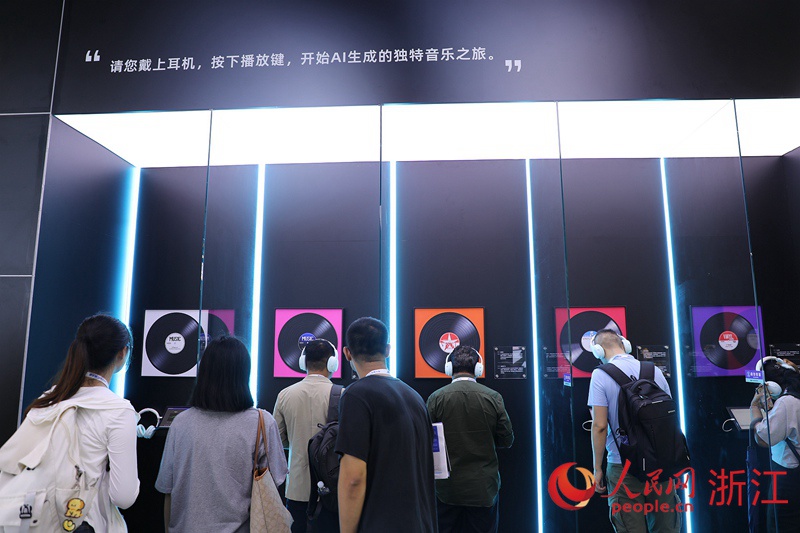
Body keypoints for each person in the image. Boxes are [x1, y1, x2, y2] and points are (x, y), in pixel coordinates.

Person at [0, 313, 139, 532]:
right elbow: (124, 496)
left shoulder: (48, 400)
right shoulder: (119, 411)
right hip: (83, 524)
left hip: (32, 519)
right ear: (122, 353)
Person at [155, 336, 287, 532]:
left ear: (204, 373)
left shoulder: (180, 423)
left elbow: (168, 491)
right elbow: (276, 482)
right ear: (244, 374)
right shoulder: (262, 422)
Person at [335, 317, 437, 533]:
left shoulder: (356, 395)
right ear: (388, 350)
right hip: (421, 524)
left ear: (347, 353)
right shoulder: (415, 397)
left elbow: (353, 478)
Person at [587, 329, 681, 533]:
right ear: (625, 344)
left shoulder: (600, 375)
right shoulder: (653, 371)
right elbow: (670, 414)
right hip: (660, 462)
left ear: (598, 351)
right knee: (666, 526)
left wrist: (597, 468)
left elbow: (600, 426)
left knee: (629, 527)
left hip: (622, 465)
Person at [426, 345, 514, 533]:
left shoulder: (436, 398)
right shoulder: (493, 397)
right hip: (483, 489)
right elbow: (507, 440)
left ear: (449, 368)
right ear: (478, 369)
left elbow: (426, 443)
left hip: (446, 490)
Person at [274, 338, 341, 532]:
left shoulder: (285, 395)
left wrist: (297, 441)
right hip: (332, 490)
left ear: (303, 362)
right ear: (332, 363)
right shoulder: (343, 395)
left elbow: (278, 440)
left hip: (297, 489)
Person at [751, 356, 800, 533]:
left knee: (782, 524)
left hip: (789, 478)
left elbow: (763, 438)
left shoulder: (787, 403)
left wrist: (755, 409)